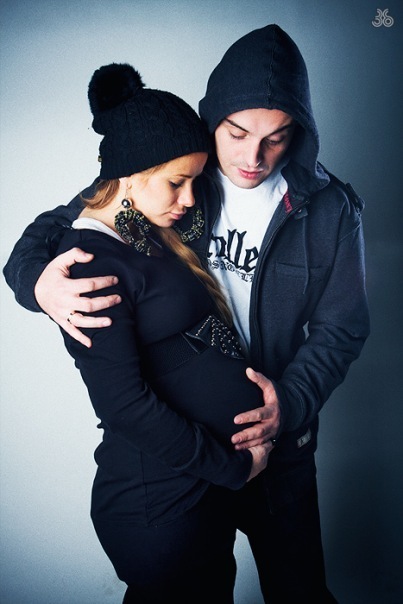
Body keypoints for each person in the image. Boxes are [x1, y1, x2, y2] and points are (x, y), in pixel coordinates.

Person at [3, 24, 370, 603]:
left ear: (299, 132)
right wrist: (38, 285)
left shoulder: (331, 209)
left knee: (299, 591)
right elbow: (61, 227)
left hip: (278, 445)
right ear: (212, 118)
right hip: (185, 455)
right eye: (238, 133)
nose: (253, 157)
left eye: (276, 137)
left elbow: (342, 328)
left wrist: (290, 403)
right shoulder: (170, 168)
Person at [5, 62, 273, 603]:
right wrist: (233, 467)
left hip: (198, 491)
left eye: (195, 181)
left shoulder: (144, 232)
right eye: (177, 182)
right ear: (129, 175)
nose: (191, 199)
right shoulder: (86, 268)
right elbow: (124, 405)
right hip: (161, 505)